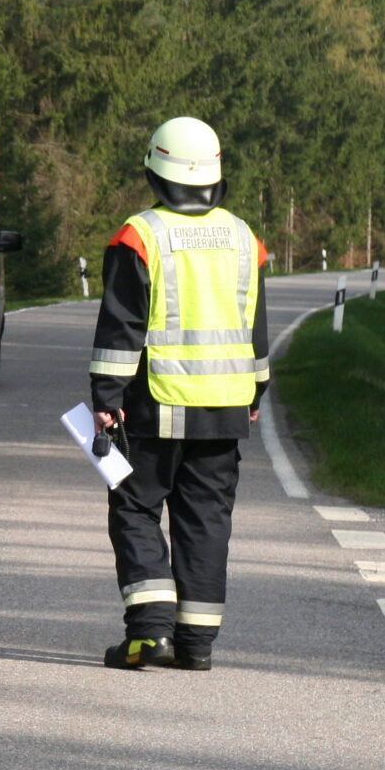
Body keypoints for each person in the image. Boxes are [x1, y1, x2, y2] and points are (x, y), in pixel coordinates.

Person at [87, 116, 269, 671]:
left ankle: (150, 631)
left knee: (135, 505)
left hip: (154, 406)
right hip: (226, 407)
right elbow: (254, 327)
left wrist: (105, 395)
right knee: (207, 519)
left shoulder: (139, 235)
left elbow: (122, 327)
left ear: (155, 171)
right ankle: (196, 645)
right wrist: (255, 390)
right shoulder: (244, 237)